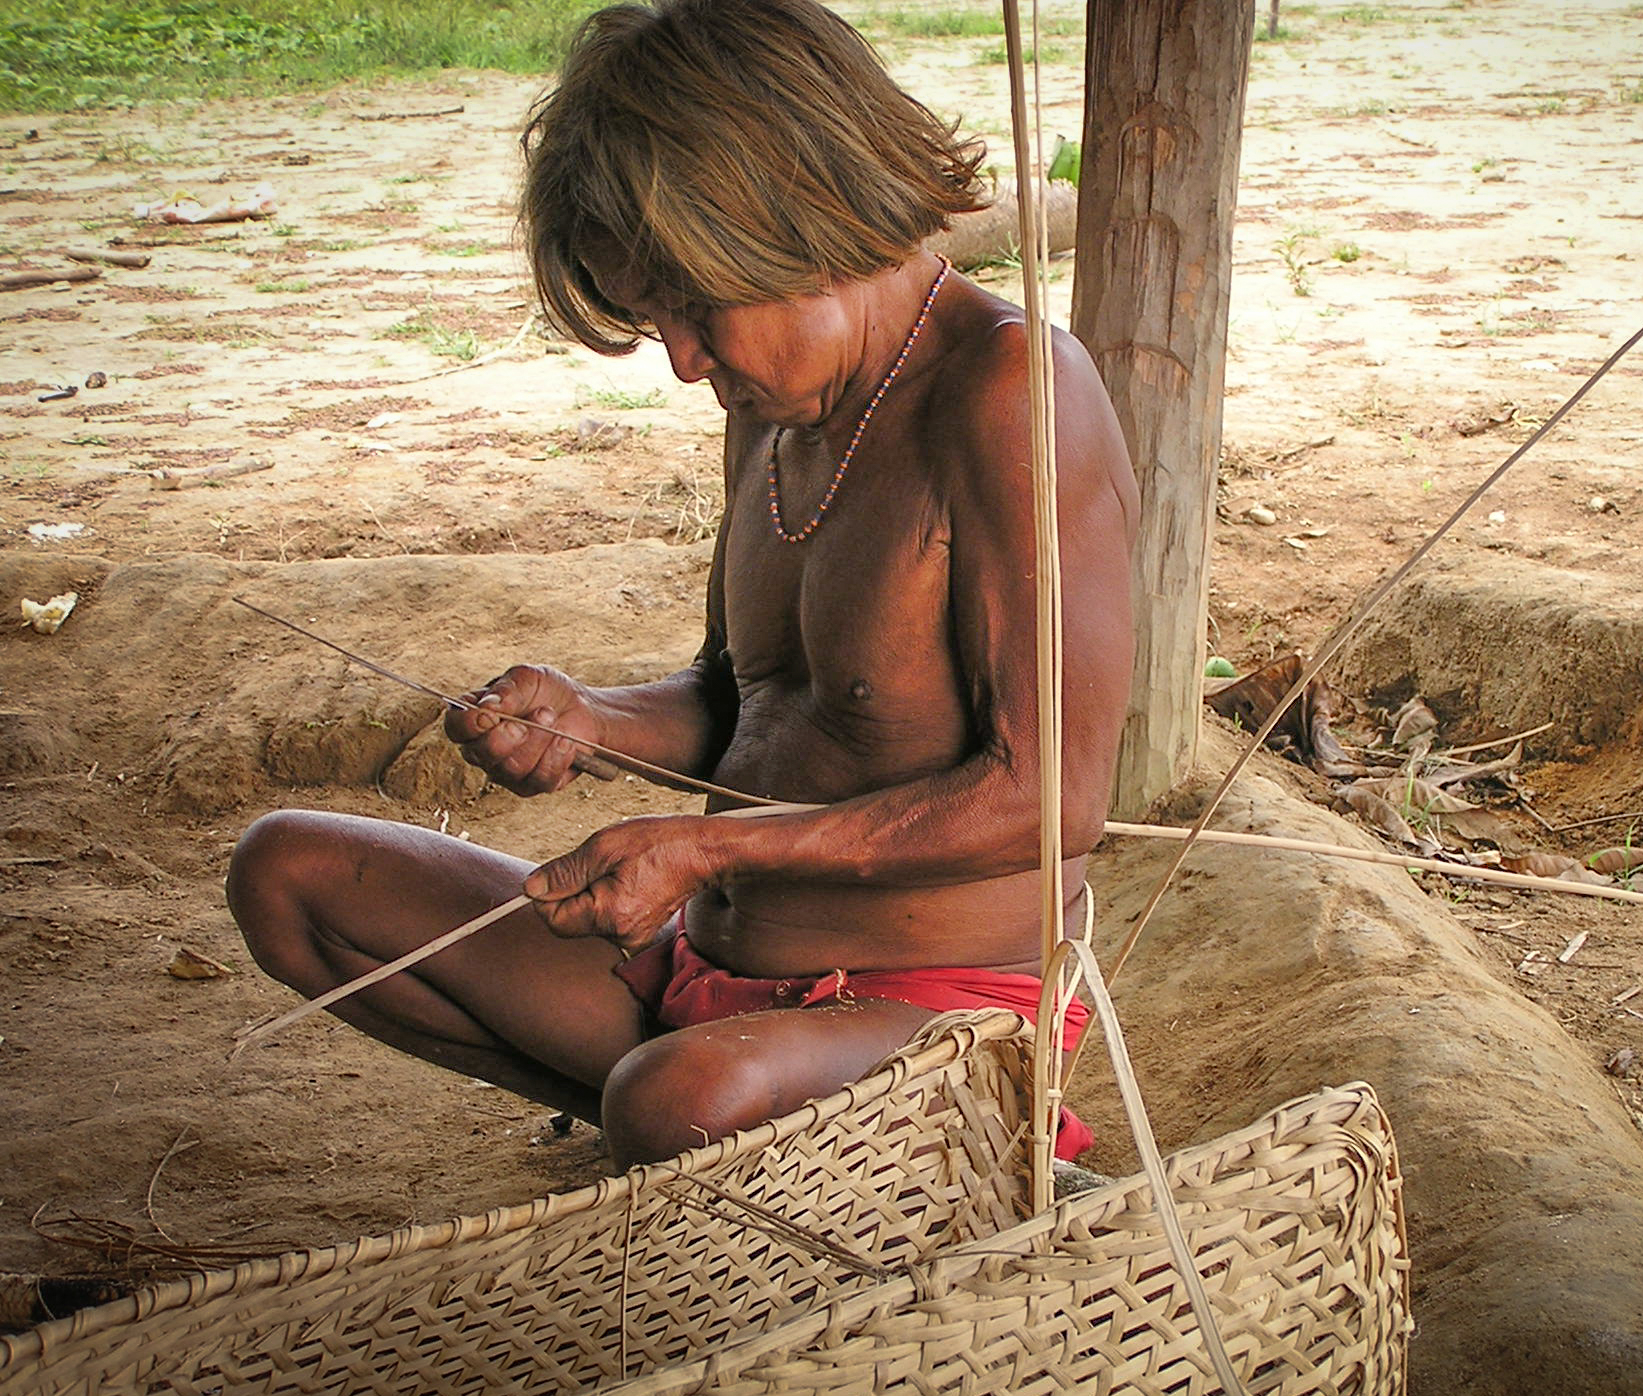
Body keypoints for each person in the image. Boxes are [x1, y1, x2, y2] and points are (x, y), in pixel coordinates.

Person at [228, 0, 1136, 1168]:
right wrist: (596, 721)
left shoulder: (1010, 391)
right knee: (292, 874)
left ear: (796, 223)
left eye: (696, 307)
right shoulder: (770, 412)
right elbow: (749, 703)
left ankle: (775, 1132)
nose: (683, 360)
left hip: (939, 1022)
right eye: (658, 319)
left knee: (669, 1100)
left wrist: (707, 853)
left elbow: (1050, 798)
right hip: (702, 987)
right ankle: (720, 1134)